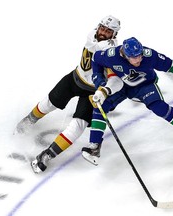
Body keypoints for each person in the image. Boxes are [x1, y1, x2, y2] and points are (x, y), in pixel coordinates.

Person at [14, 15, 121, 173]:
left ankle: (48, 154)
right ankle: (30, 119)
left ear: (114, 35)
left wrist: (105, 91)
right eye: (102, 28)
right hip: (76, 78)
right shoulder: (92, 34)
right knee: (49, 102)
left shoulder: (111, 52)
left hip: (93, 92)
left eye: (108, 31)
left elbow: (115, 79)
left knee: (78, 125)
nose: (103, 32)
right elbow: (93, 48)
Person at [81, 37, 173, 165]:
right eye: (134, 57)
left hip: (145, 85)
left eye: (140, 55)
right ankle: (94, 146)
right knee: (100, 106)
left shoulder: (149, 55)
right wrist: (98, 79)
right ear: (124, 55)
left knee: (159, 107)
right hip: (121, 85)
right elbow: (95, 59)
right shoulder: (111, 56)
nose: (139, 59)